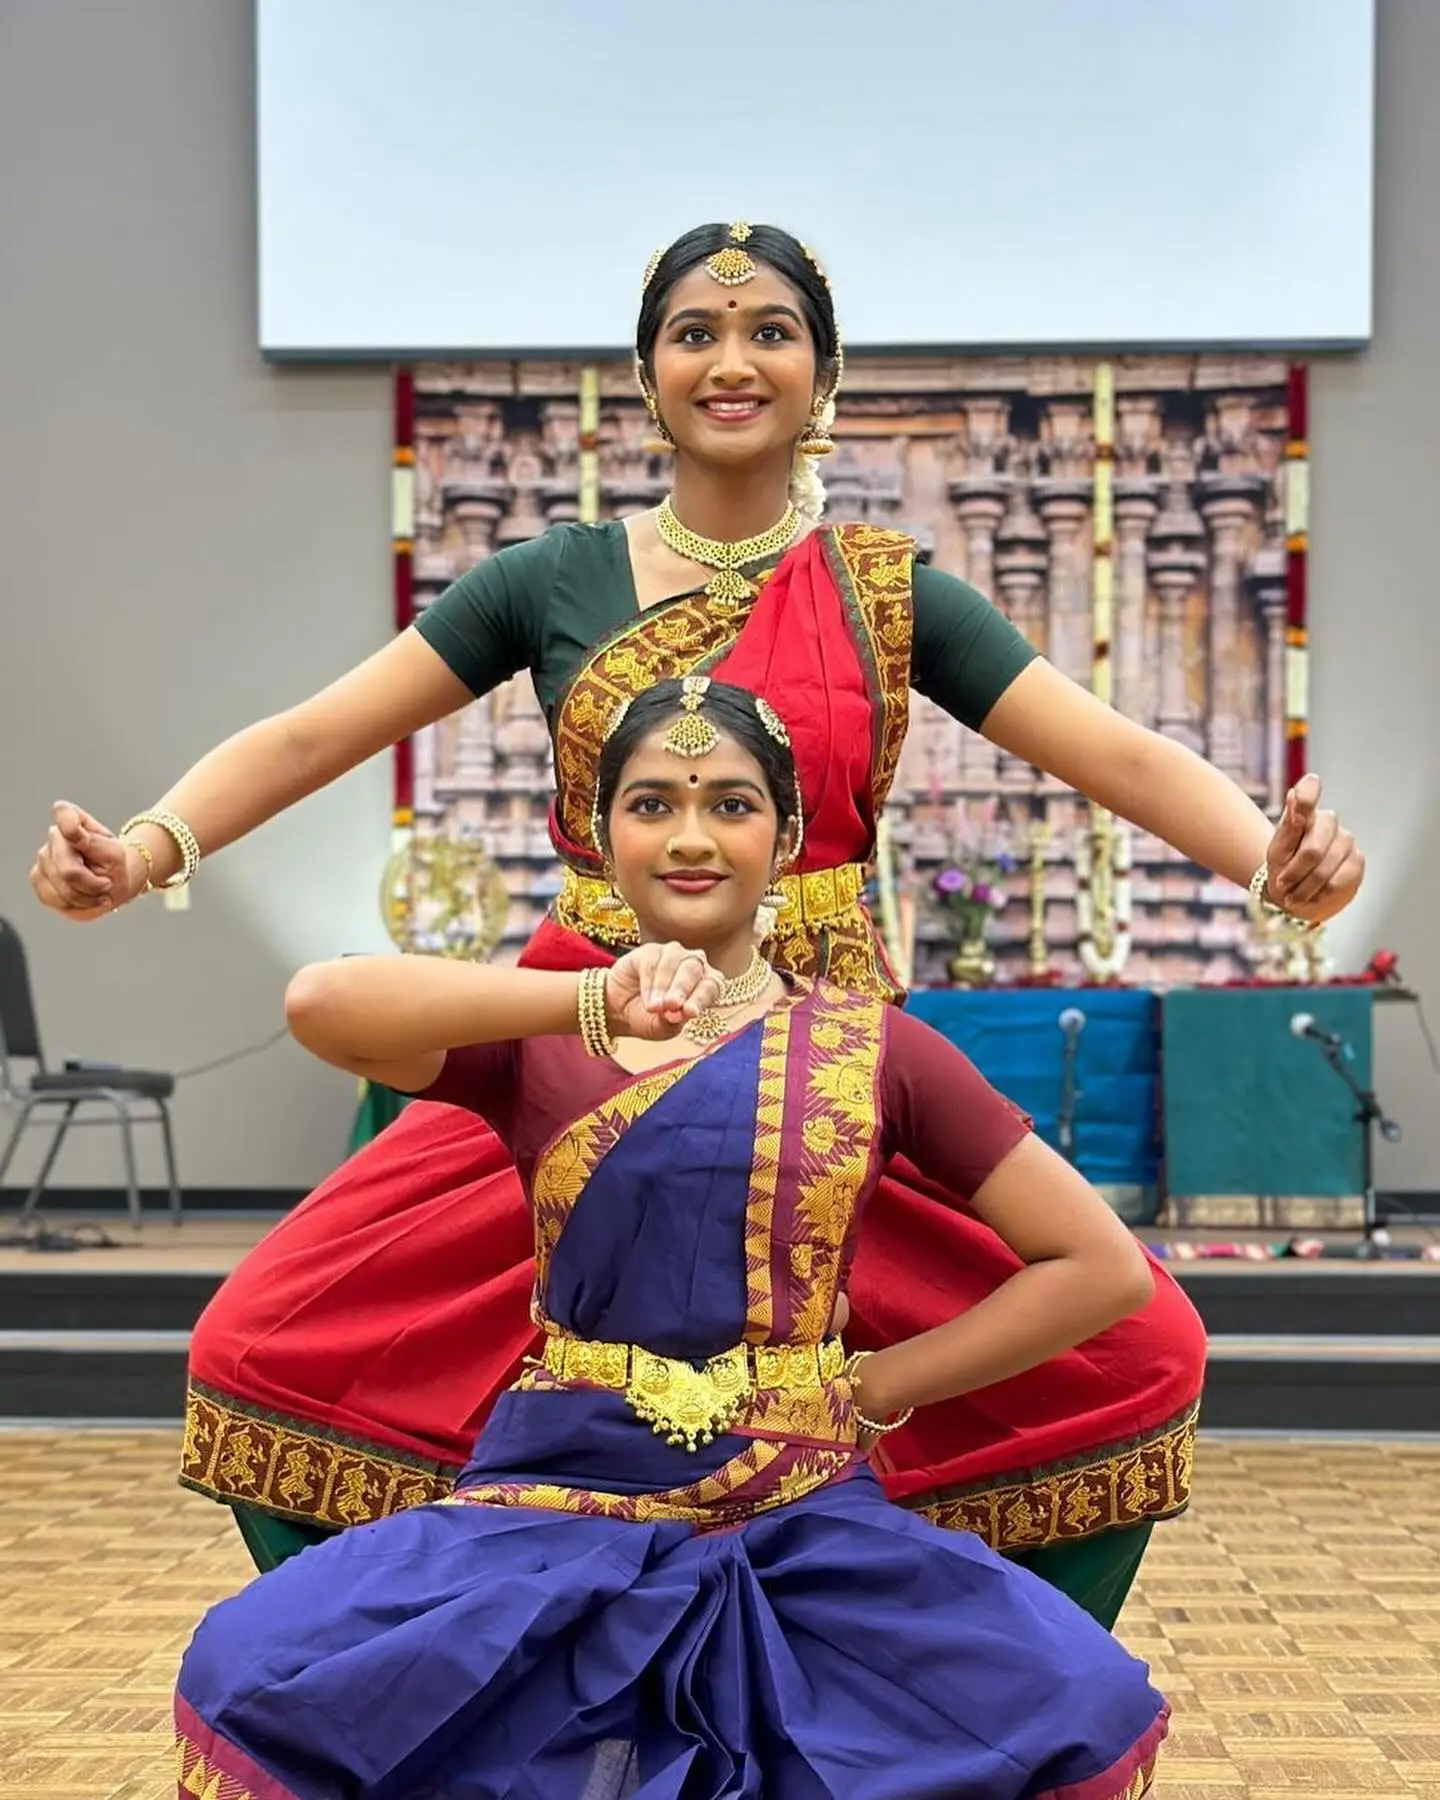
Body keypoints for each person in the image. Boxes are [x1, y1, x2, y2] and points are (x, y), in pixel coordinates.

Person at [30, 222, 1363, 1624]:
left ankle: (889, 1693)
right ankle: (472, 1687)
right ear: (647, 375)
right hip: (577, 1043)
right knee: (267, 1347)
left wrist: (1269, 863)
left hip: (821, 1063)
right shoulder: (548, 582)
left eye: (770, 332)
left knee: (1132, 1354)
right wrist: (145, 848)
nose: (733, 361)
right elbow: (315, 735)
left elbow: (1117, 753)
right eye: (696, 334)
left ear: (822, 375)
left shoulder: (888, 595)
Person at [174, 678, 1169, 1800]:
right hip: (555, 1496)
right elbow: (320, 1003)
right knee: (252, 1666)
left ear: (786, 841)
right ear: (602, 841)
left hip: (794, 1502)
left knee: (1074, 1698)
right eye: (651, 804)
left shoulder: (876, 1051)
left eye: (731, 805)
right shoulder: (542, 1041)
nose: (691, 837)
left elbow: (1099, 1268)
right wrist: (585, 1001)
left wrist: (880, 1384)